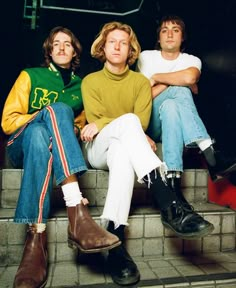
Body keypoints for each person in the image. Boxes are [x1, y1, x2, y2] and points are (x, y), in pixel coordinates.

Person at [81, 21, 214, 286]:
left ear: (131, 49)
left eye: (123, 42)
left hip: (122, 146)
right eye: (112, 42)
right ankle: (168, 201)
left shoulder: (141, 82)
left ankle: (115, 242)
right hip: (97, 148)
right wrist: (112, 124)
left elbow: (141, 124)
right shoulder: (90, 81)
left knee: (123, 149)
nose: (117, 46)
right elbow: (96, 123)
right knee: (125, 126)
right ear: (103, 47)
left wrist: (114, 123)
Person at [1, 26, 121, 288]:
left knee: (40, 137)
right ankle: (76, 209)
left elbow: (78, 128)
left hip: (44, 149)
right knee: (47, 120)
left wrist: (60, 125)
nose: (62, 48)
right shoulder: (30, 75)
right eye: (56, 44)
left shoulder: (82, 85)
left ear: (75, 51)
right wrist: (45, 116)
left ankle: (36, 239)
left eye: (67, 44)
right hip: (18, 144)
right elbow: (8, 121)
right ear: (49, 50)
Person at [136, 14, 236, 207]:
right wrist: (173, 82)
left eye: (176, 30)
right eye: (164, 31)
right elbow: (143, 97)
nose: (170, 34)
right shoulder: (146, 57)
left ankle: (173, 181)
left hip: (174, 123)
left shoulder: (192, 59)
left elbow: (190, 78)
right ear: (158, 38)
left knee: (172, 106)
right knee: (180, 90)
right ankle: (209, 151)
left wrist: (157, 78)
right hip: (151, 123)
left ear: (183, 37)